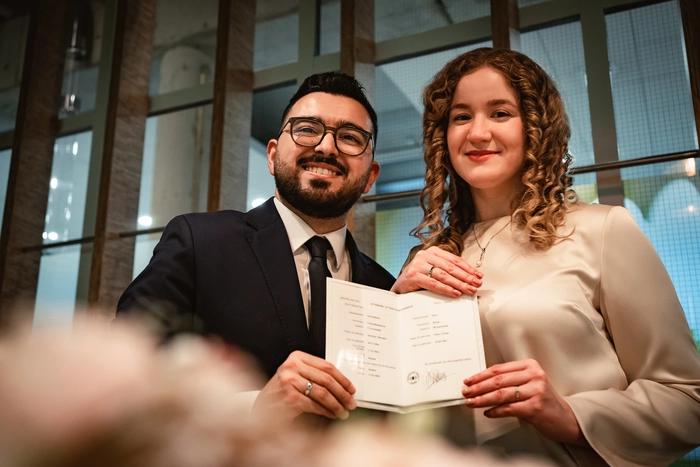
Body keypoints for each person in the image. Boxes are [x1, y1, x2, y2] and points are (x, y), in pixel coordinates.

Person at [392, 47, 700, 466]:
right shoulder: (429, 258)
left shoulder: (603, 229)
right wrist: (395, 307)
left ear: (536, 129)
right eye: (461, 116)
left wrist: (571, 415)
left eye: (500, 113)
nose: (477, 133)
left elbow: (687, 398)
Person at [117, 72, 395, 425]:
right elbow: (127, 368)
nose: (326, 147)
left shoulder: (385, 290)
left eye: (350, 137)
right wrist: (253, 407)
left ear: (370, 176)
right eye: (308, 129)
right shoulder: (199, 243)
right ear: (273, 154)